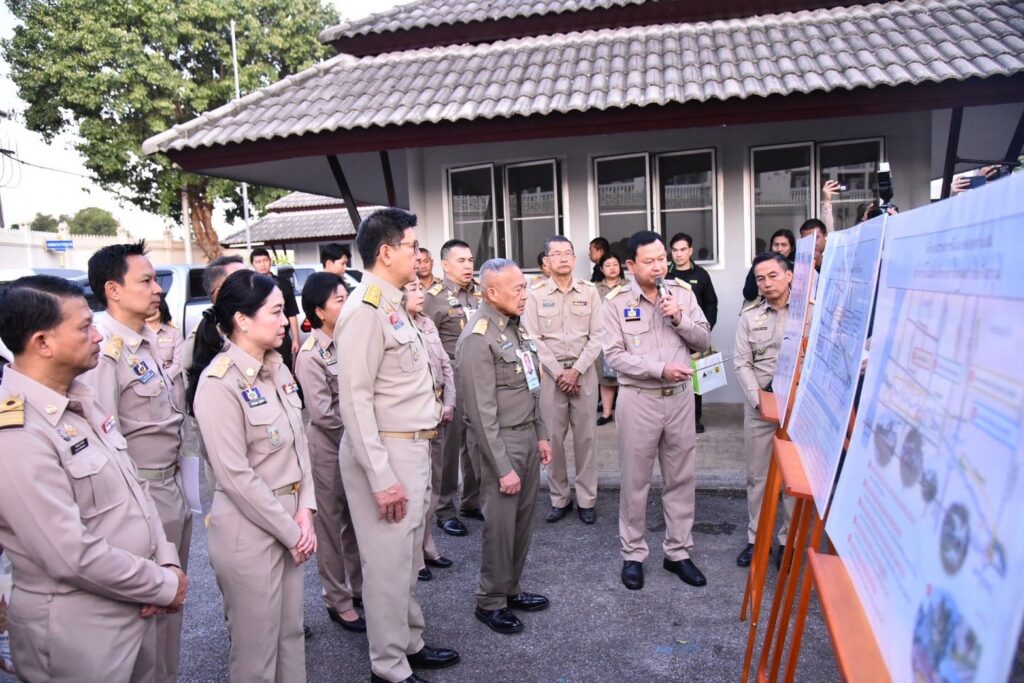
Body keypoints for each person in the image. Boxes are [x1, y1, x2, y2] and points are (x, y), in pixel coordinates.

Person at [0, 275, 187, 681]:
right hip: (81, 630)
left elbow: (136, 489)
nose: (98, 335)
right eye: (85, 327)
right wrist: (160, 583)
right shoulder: (17, 431)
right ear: (43, 343)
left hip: (135, 604)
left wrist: (166, 560)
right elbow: (69, 553)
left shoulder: (79, 398)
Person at [336, 208, 459, 683]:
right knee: (387, 567)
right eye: (412, 246)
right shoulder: (364, 309)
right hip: (385, 454)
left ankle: (410, 643)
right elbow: (355, 400)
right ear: (386, 253)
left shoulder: (393, 304)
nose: (419, 255)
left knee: (406, 560)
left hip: (412, 447)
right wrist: (381, 476)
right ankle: (387, 667)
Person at [189, 269, 317, 682]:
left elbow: (300, 445)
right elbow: (234, 476)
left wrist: (306, 510)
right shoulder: (218, 383)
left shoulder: (278, 368)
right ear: (242, 320)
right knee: (256, 654)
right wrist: (291, 530)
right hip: (250, 530)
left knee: (290, 637)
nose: (285, 321)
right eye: (276, 312)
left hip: (291, 519)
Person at [84, 242, 189, 682]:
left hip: (171, 488)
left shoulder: (145, 341)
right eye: (145, 281)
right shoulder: (104, 352)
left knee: (172, 611)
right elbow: (105, 446)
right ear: (113, 290)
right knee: (146, 624)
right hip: (141, 497)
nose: (157, 289)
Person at [603, 231, 711, 591]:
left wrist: (679, 318)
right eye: (648, 261)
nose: (658, 266)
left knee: (681, 478)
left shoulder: (682, 294)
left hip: (680, 399)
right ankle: (633, 554)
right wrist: (658, 368)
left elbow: (704, 339)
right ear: (630, 265)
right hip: (639, 399)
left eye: (661, 258)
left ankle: (677, 552)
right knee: (636, 481)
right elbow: (614, 356)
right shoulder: (616, 303)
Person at [456, 259, 552, 635]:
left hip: (525, 434)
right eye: (518, 289)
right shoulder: (477, 337)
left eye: (525, 287)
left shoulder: (513, 327)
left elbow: (531, 385)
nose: (525, 295)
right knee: (499, 526)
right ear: (492, 293)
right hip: (501, 443)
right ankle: (490, 600)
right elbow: (480, 415)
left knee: (522, 521)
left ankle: (511, 587)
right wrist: (502, 467)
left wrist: (541, 433)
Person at [294, 272, 366, 632]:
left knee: (357, 522)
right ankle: (337, 600)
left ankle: (360, 589)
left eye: (347, 296)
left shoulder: (349, 340)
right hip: (329, 449)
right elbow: (323, 415)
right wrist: (362, 436)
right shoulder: (311, 355)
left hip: (354, 444)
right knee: (331, 528)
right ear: (319, 311)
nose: (347, 303)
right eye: (339, 300)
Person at [524, 236, 603, 525]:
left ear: (574, 258)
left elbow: (598, 336)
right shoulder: (534, 294)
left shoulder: (589, 291)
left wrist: (576, 370)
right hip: (551, 376)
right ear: (546, 261)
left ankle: (586, 499)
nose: (563, 258)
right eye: (556, 254)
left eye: (568, 253)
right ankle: (560, 498)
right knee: (553, 440)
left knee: (586, 439)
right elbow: (532, 338)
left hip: (584, 374)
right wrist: (559, 372)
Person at [734, 253, 797, 570]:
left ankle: (788, 542)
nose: (767, 283)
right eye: (761, 278)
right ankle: (757, 538)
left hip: (799, 411)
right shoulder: (749, 316)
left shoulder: (811, 312)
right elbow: (741, 362)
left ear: (789, 276)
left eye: (773, 276)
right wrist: (759, 401)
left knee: (792, 479)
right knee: (757, 476)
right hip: (760, 407)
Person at [423, 239, 484, 537]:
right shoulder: (433, 299)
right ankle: (444, 508)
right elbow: (427, 344)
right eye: (461, 261)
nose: (468, 265)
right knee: (448, 449)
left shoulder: (481, 294)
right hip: (452, 379)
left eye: (470, 260)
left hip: (480, 378)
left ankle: (472, 500)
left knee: (476, 442)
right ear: (445, 265)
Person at [403, 280, 456, 581]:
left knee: (434, 483)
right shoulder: (396, 325)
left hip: (437, 413)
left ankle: (426, 544)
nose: (420, 293)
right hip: (413, 420)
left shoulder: (426, 322)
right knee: (415, 490)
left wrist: (449, 402)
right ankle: (414, 556)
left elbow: (445, 365)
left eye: (420, 288)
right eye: (412, 289)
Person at [667, 233, 719, 434]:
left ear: (690, 251)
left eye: (682, 250)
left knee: (696, 378)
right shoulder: (666, 275)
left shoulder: (701, 275)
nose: (678, 254)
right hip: (672, 335)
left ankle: (695, 418)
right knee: (673, 375)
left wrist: (705, 329)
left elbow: (711, 304)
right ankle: (673, 418)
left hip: (695, 336)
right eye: (675, 250)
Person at [251, 248, 300, 369]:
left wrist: (296, 339)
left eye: (265, 260)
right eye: (258, 262)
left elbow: (292, 313)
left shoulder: (284, 284)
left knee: (284, 369)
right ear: (252, 264)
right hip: (259, 338)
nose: (262, 264)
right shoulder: (249, 287)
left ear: (270, 261)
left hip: (281, 336)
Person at [594, 253, 628, 426]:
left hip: (626, 337)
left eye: (615, 264)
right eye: (608, 265)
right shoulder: (594, 288)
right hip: (602, 338)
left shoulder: (629, 286)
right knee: (605, 378)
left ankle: (624, 414)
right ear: (601, 269)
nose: (612, 268)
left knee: (625, 376)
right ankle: (607, 413)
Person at [146, 295, 186, 411]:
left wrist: (163, 378)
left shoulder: (173, 332)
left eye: (154, 306)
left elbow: (179, 363)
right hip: (148, 386)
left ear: (161, 307)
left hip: (172, 383)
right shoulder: (137, 333)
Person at [742, 229, 795, 302]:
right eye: (776, 245)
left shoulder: (797, 268)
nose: (779, 249)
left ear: (791, 248)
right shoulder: (760, 265)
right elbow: (748, 294)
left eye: (784, 245)